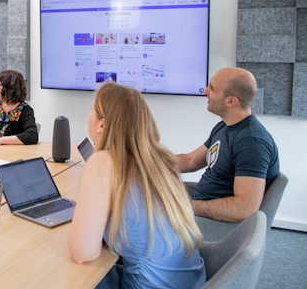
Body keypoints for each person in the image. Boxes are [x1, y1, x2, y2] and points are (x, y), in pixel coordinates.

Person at [68, 82, 206, 288]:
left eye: (91, 110)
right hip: (192, 280)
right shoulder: (163, 160)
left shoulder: (103, 162)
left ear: (102, 124)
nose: (88, 116)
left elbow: (83, 253)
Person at [177, 67, 279, 222]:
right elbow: (190, 161)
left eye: (212, 88)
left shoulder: (251, 143)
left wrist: (187, 206)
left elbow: (244, 209)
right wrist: (146, 160)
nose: (205, 91)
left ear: (231, 101)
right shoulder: (225, 126)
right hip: (198, 204)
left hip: (213, 222)